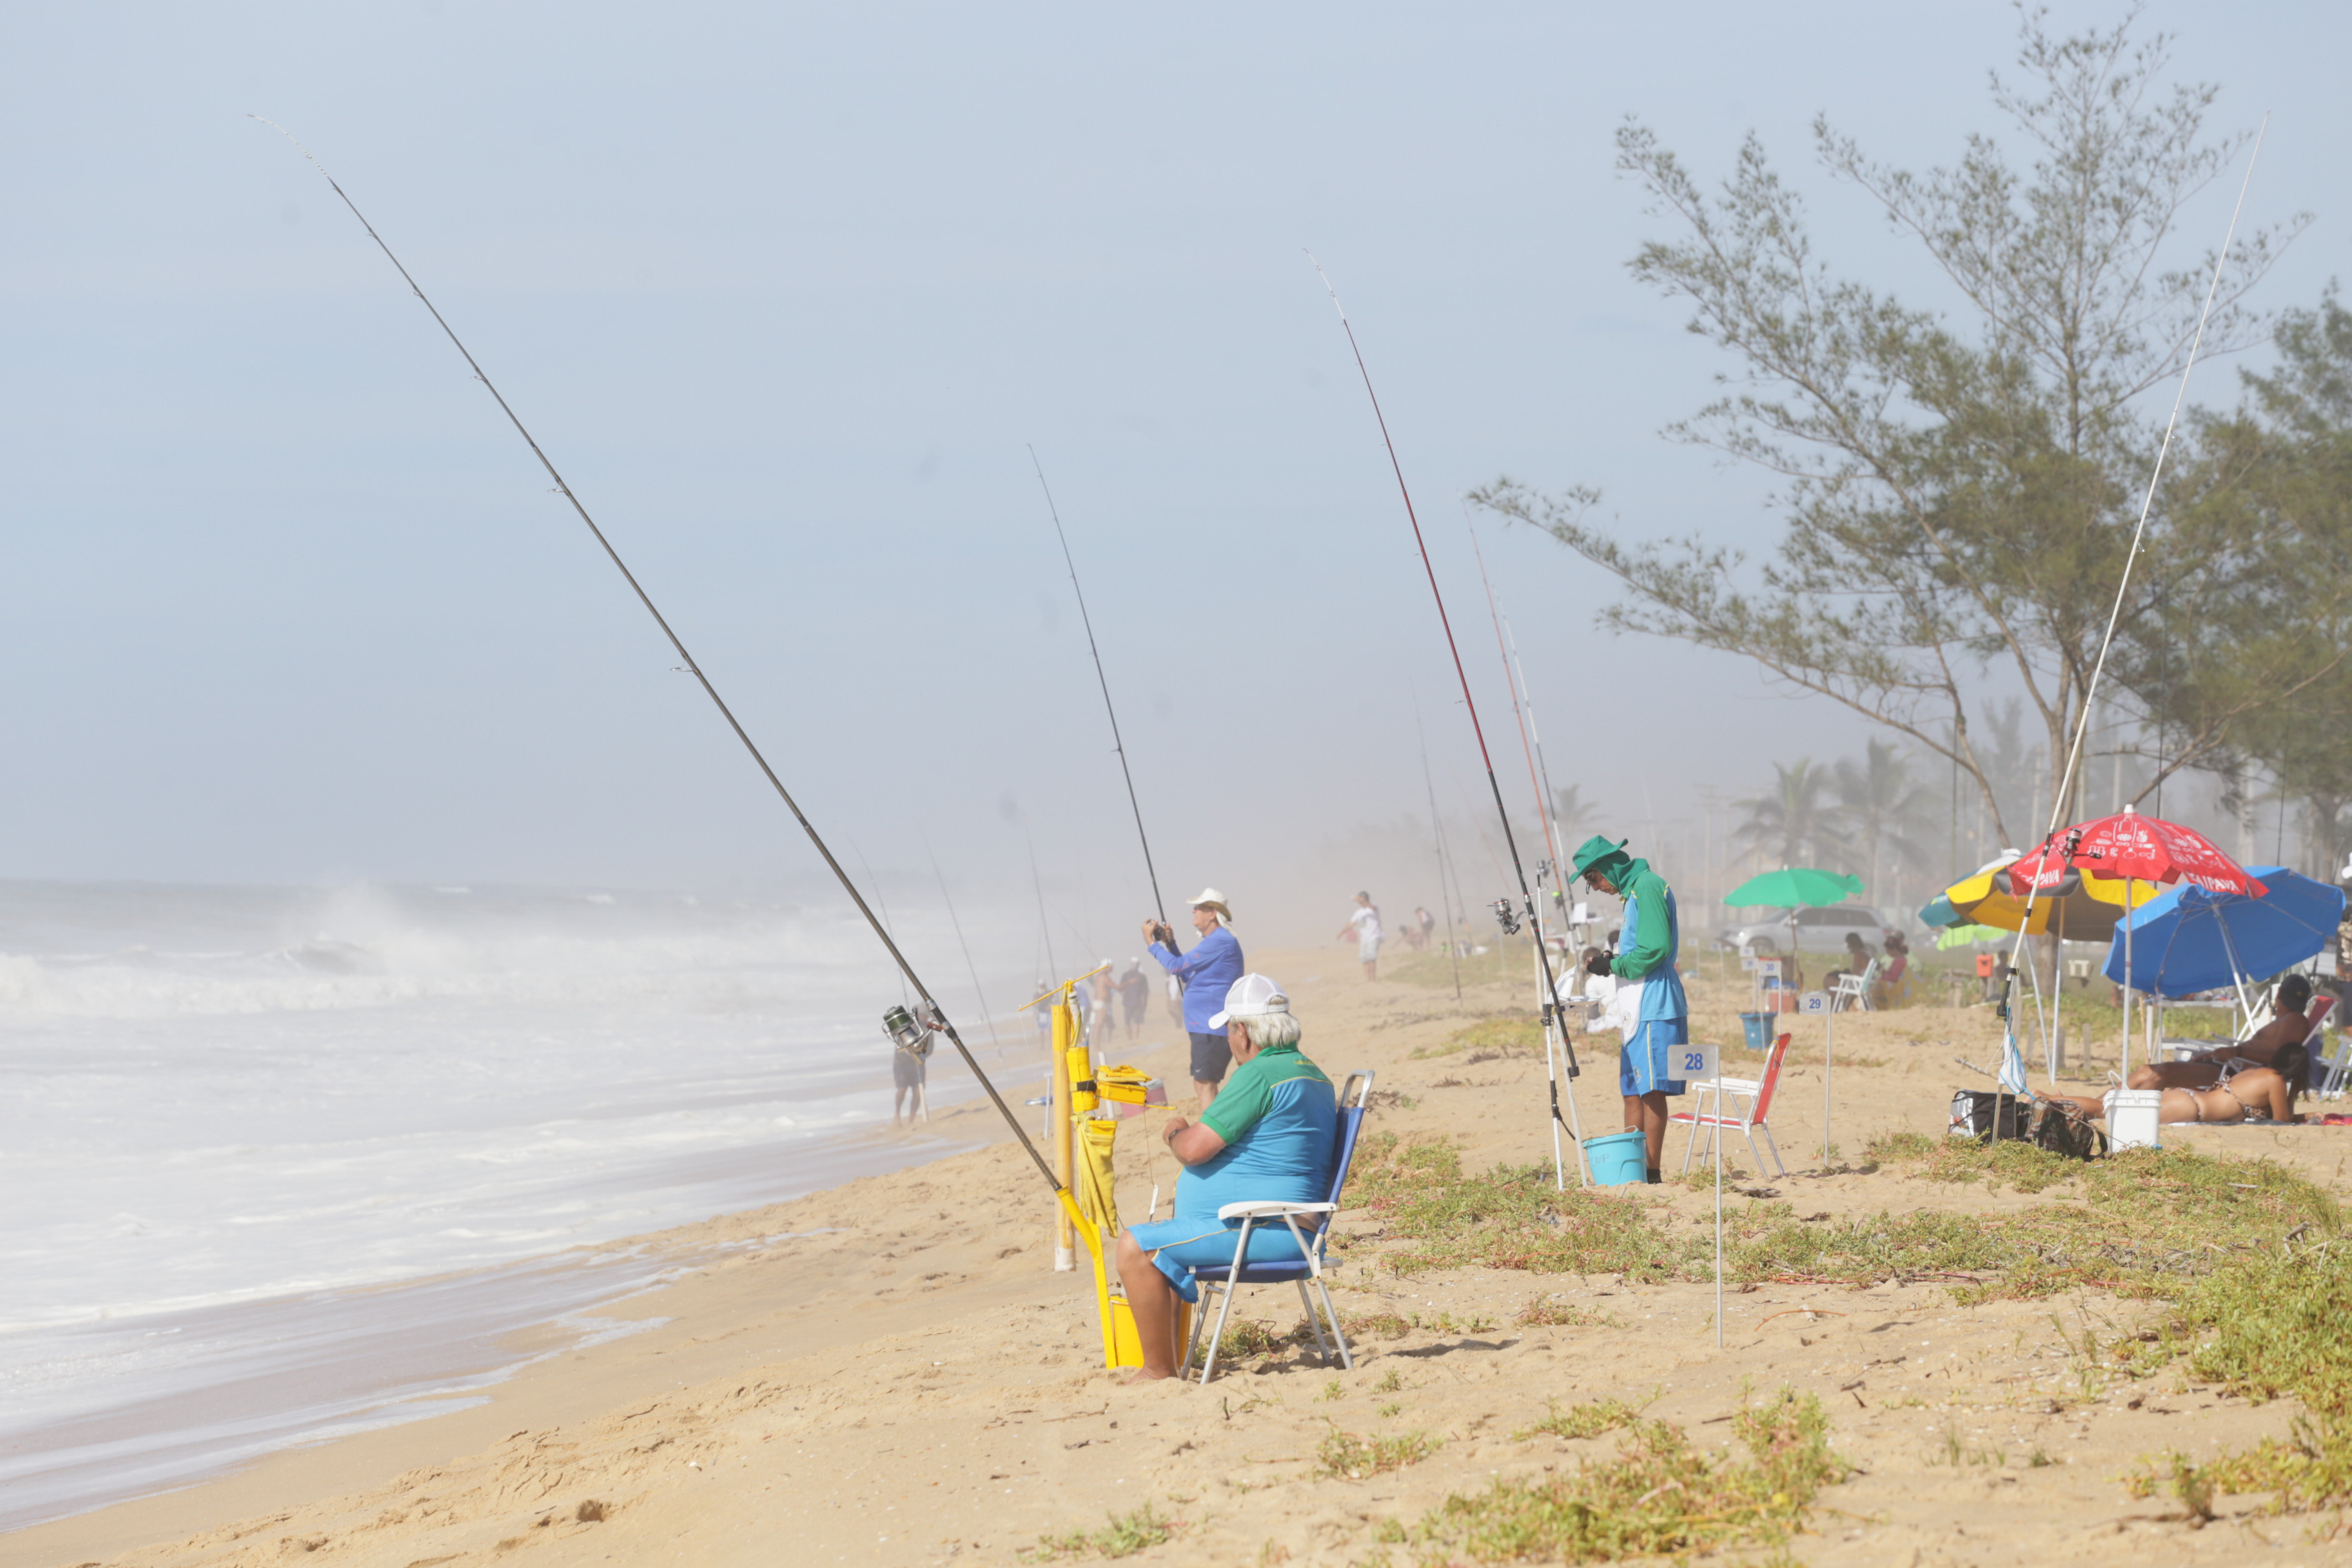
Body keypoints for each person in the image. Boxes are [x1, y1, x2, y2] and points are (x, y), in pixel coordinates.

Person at [1115, 974, 1335, 1381]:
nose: (1230, 1045)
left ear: (1244, 1032)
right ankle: (1168, 1359)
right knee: (1158, 1240)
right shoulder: (1311, 1072)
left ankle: (1158, 1372)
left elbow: (1195, 1149)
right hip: (1290, 1226)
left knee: (1134, 1247)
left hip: (1270, 1229)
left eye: (1230, 1032)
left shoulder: (1258, 1074)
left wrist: (1174, 1130)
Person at [1573, 835, 1687, 1184]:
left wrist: (1614, 967)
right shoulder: (1633, 892)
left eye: (1592, 879)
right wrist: (1613, 961)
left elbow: (1655, 949)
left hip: (1654, 1003)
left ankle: (1651, 1173)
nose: (1595, 887)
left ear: (1608, 865)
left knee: (1651, 1090)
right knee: (1632, 1090)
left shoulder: (1647, 887)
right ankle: (1632, 1170)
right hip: (1635, 1005)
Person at [1144, 888, 1246, 1106]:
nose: (1194, 911)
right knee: (1203, 1083)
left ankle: (1212, 1134)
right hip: (1204, 1025)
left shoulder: (1220, 941)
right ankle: (1214, 1130)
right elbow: (1185, 972)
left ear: (1212, 912)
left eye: (1199, 907)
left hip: (1211, 1025)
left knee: (1204, 1084)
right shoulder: (1215, 941)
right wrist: (1170, 944)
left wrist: (1151, 944)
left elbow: (1175, 967)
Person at [2051, 1042, 2310, 1126]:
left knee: (2111, 1107)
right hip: (2190, 1108)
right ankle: (2050, 1103)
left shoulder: (2258, 1072)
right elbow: (2283, 1121)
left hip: (2188, 1098)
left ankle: (2050, 1100)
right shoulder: (2276, 1081)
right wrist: (2296, 1094)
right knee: (2105, 1111)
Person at [2130, 975, 2315, 1092]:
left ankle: (2125, 1109)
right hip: (2228, 1064)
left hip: (2232, 1073)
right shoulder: (2286, 1020)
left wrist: (2237, 1052)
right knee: (2145, 1070)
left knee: (2163, 1072)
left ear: (2279, 993)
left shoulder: (2294, 1020)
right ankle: (2103, 1104)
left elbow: (2280, 1059)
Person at [889, 1001, 941, 1127]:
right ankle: (897, 1115)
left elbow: (930, 1048)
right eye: (922, 1015)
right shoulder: (907, 1024)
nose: (924, 1018)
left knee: (918, 1092)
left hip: (918, 1063)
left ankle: (911, 1120)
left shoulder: (929, 1028)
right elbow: (897, 1040)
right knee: (902, 1088)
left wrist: (920, 1054)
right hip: (902, 1063)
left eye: (926, 1015)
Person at [1337, 892, 1382, 981]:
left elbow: (1373, 907)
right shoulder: (1359, 912)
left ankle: (1373, 980)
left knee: (1372, 959)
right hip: (1364, 939)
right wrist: (1342, 932)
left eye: (1361, 899)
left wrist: (1361, 900)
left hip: (1373, 937)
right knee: (1364, 960)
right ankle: (1367, 979)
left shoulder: (1373, 908)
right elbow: (1351, 924)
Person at [1118, 960, 1150, 1042]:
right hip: (1136, 1003)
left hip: (1129, 1002)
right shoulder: (1141, 976)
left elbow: (1120, 988)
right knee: (1135, 1022)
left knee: (1129, 1022)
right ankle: (1135, 1039)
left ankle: (1131, 1039)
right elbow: (1145, 992)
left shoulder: (1126, 975)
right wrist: (1145, 1003)